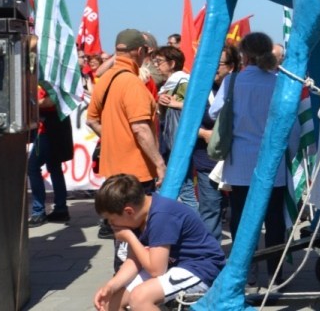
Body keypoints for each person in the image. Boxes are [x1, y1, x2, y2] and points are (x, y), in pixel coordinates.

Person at [207, 32, 296, 282]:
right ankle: (274, 274)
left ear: (244, 55)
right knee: (274, 221)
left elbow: (214, 114)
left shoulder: (233, 81)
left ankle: (245, 273)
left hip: (239, 164)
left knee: (241, 220)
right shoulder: (278, 82)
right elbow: (291, 125)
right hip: (272, 162)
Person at [93, 174, 225, 311]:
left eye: (110, 219)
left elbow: (156, 270)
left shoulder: (161, 216)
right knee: (110, 303)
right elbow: (134, 260)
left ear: (128, 211)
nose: (110, 224)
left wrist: (129, 237)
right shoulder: (138, 217)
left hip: (200, 267)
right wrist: (111, 286)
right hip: (171, 265)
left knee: (139, 298)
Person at [86, 29, 167, 243]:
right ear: (139, 52)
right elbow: (140, 128)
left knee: (121, 231)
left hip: (113, 170)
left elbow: (91, 120)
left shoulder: (104, 80)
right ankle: (136, 273)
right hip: (137, 173)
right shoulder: (132, 84)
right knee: (141, 233)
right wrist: (159, 164)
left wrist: (114, 139)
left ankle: (123, 270)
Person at [194, 44, 240, 241]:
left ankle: (245, 261)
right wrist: (203, 133)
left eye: (218, 64)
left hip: (237, 161)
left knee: (239, 211)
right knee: (210, 211)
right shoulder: (199, 88)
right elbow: (185, 122)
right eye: (211, 63)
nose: (214, 68)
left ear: (231, 66)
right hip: (207, 160)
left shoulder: (240, 87)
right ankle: (211, 260)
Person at [152, 46, 197, 210]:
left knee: (185, 189)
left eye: (159, 61)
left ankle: (195, 229)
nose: (156, 65)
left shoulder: (183, 81)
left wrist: (173, 103)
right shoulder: (169, 84)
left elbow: (197, 107)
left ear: (172, 63)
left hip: (179, 144)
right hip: (170, 141)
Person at [28, 81, 74, 226]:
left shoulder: (51, 79)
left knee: (33, 167)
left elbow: (54, 100)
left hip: (48, 130)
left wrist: (32, 103)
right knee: (54, 168)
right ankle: (60, 208)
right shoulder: (42, 78)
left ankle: (39, 211)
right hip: (48, 130)